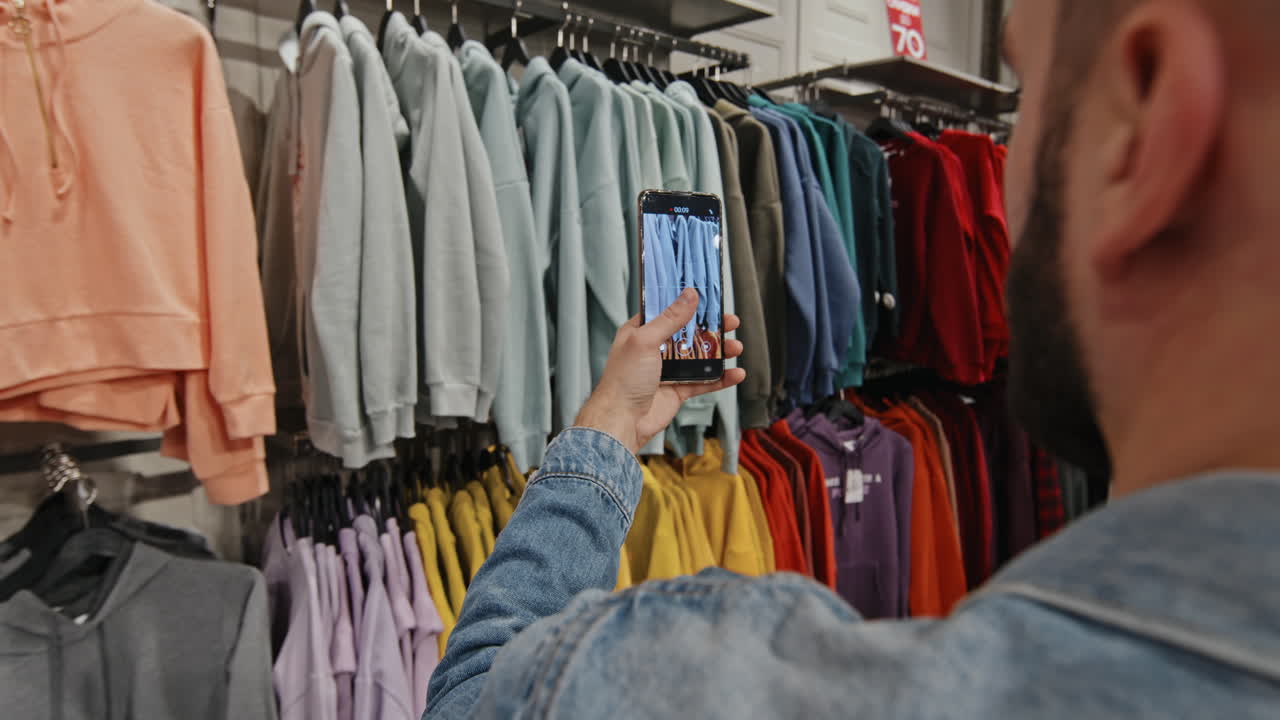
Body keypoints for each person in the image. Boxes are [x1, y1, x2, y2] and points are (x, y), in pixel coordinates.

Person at [426, 1, 1280, 716]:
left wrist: (607, 423)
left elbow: (474, 693)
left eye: (1030, 94)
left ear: (1145, 114)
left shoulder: (733, 688)